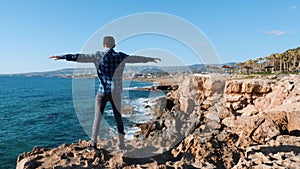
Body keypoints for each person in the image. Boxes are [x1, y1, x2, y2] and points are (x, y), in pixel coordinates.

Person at [49, 36, 161, 150]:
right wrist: (150, 59)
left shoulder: (97, 56)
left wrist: (63, 57)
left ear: (104, 45)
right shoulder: (120, 56)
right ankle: (121, 144)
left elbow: (79, 57)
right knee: (118, 118)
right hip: (116, 93)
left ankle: (93, 144)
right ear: (114, 45)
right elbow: (136, 58)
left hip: (102, 92)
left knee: (97, 118)